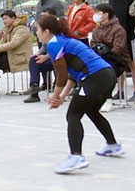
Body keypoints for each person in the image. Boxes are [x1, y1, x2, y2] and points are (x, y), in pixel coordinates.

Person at [36, 15, 124, 174]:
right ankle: (113, 146)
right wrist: (61, 97)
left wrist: (55, 96)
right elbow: (72, 75)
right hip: (107, 74)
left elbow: (61, 76)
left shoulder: (53, 44)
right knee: (91, 111)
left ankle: (76, 157)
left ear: (46, 31)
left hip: (95, 77)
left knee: (73, 115)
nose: (36, 33)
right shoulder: (64, 41)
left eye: (37, 30)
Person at [107, 0, 135, 101]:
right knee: (118, 62)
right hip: (114, 36)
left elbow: (132, 17)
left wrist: (127, 31)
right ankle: (120, 91)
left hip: (127, 35)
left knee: (131, 62)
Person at [90, 4, 130, 112]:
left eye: (98, 13)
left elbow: (118, 48)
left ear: (106, 14)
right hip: (100, 58)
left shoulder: (118, 29)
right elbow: (93, 44)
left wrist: (105, 53)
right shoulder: (97, 30)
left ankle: (107, 99)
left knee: (105, 71)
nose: (95, 15)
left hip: (117, 60)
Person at [0, 10, 32, 97]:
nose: (4, 21)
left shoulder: (22, 29)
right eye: (3, 19)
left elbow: (13, 43)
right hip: (11, 57)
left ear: (13, 18)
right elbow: (1, 42)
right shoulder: (8, 29)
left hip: (20, 59)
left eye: (6, 18)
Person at [22, 8, 58, 103]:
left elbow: (59, 51)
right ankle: (34, 88)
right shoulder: (44, 31)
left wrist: (46, 57)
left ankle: (57, 90)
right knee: (34, 60)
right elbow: (44, 47)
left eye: (45, 16)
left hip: (59, 59)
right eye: (41, 16)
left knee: (45, 61)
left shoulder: (59, 32)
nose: (42, 18)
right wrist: (38, 53)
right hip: (49, 58)